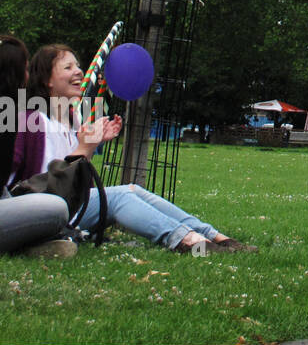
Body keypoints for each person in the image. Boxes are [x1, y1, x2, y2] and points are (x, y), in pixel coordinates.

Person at [13, 44, 256, 254]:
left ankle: (215, 237)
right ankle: (190, 242)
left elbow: (78, 184)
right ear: (47, 80)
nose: (78, 71)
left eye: (77, 65)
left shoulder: (73, 121)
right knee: (121, 197)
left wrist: (91, 144)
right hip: (46, 210)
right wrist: (85, 148)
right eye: (67, 68)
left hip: (70, 205)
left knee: (133, 189)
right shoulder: (31, 122)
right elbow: (38, 185)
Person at [0, 34, 76, 258]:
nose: (27, 77)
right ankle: (28, 246)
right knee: (56, 208)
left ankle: (32, 244)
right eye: (24, 69)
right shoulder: (22, 119)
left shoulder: (15, 115)